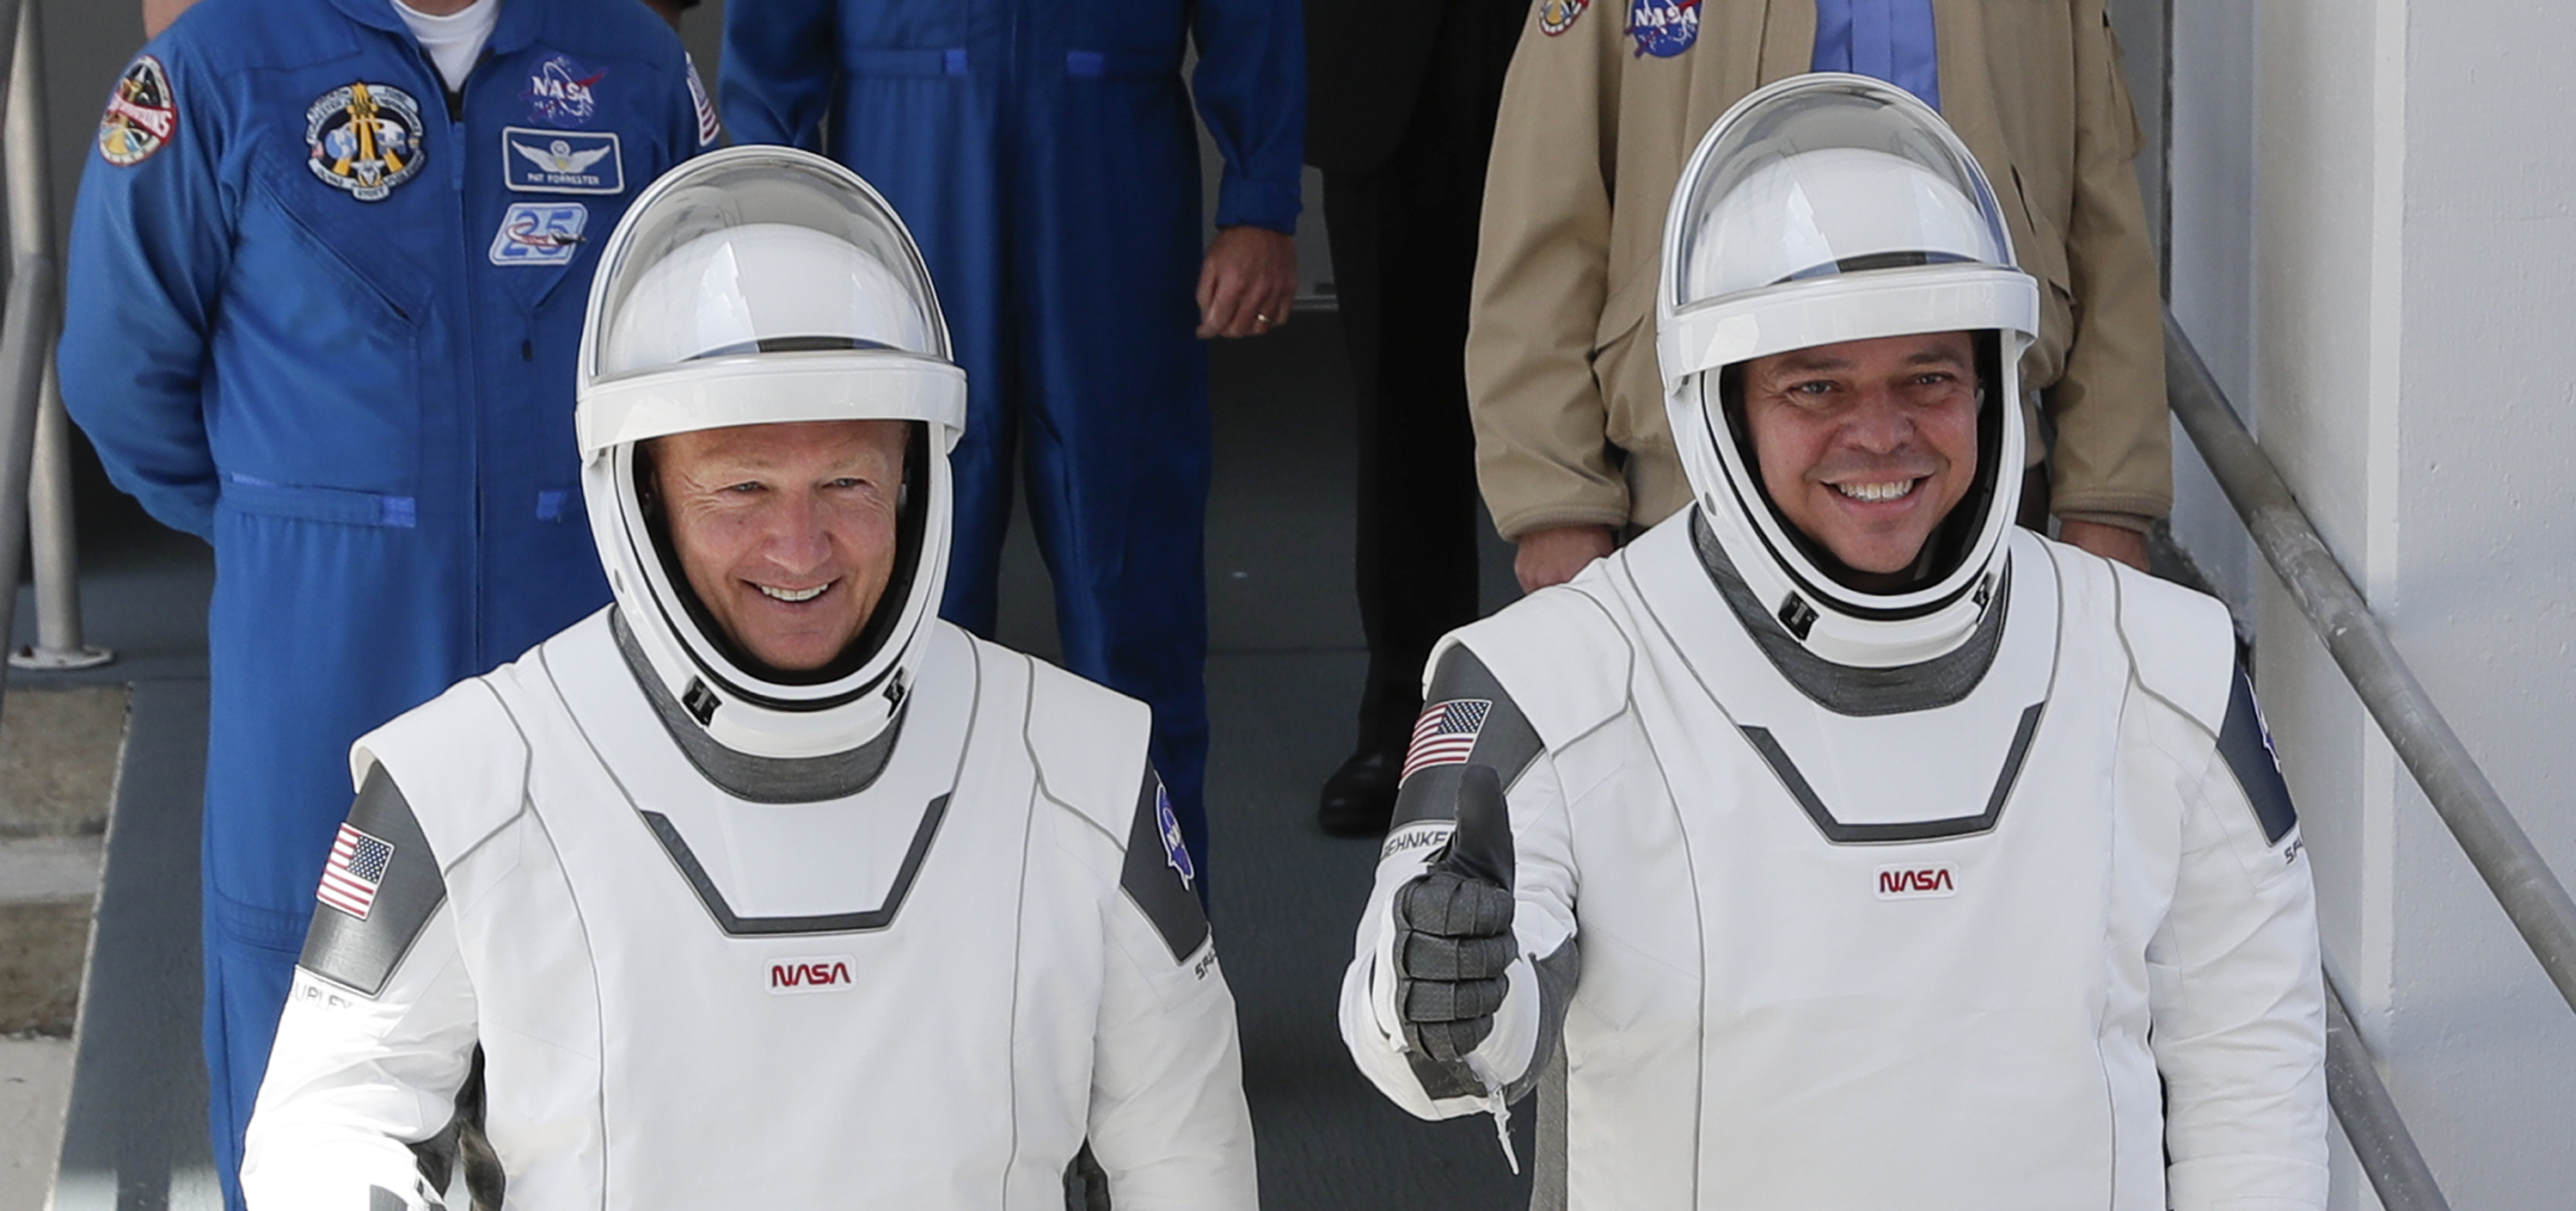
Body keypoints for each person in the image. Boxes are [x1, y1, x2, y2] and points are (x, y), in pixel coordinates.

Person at [237, 149, 1267, 1211]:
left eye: (845, 483)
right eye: (742, 491)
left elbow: (1184, 1160)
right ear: (637, 484)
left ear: (917, 478)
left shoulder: (1083, 768)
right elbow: (336, 1097)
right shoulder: (462, 778)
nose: (802, 551)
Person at [1340, 77, 2327, 1211]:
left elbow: (2250, 1044)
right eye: (1816, 389)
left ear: (2001, 384)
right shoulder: (1541, 679)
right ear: (1717, 399)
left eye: (1927, 379)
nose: (1882, 435)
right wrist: (1444, 994)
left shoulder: (2161, 662)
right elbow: (1443, 1031)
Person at [60, 3, 708, 1211]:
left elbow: (700, 337)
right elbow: (121, 381)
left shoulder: (628, 63)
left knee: (599, 1108)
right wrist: (306, 521)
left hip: (578, 686)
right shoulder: (213, 71)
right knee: (286, 1116)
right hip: (319, 691)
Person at [720, 0, 1305, 870]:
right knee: (903, 614)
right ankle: (913, 962)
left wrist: (1261, 196)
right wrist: (771, 209)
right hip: (909, 167)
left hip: (1110, 171)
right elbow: (768, 37)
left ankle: (1156, 953)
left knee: (1134, 601)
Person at [1470, 0, 2172, 597]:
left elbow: (2101, 215)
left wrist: (2109, 503)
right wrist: (1553, 503)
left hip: (1979, 470)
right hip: (1694, 478)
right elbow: (1545, 210)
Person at [1304, 0, 1526, 836]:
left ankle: (1612, 712)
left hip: (1575, 42)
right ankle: (1410, 724)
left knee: (1597, 402)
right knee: (1402, 422)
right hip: (1385, 60)